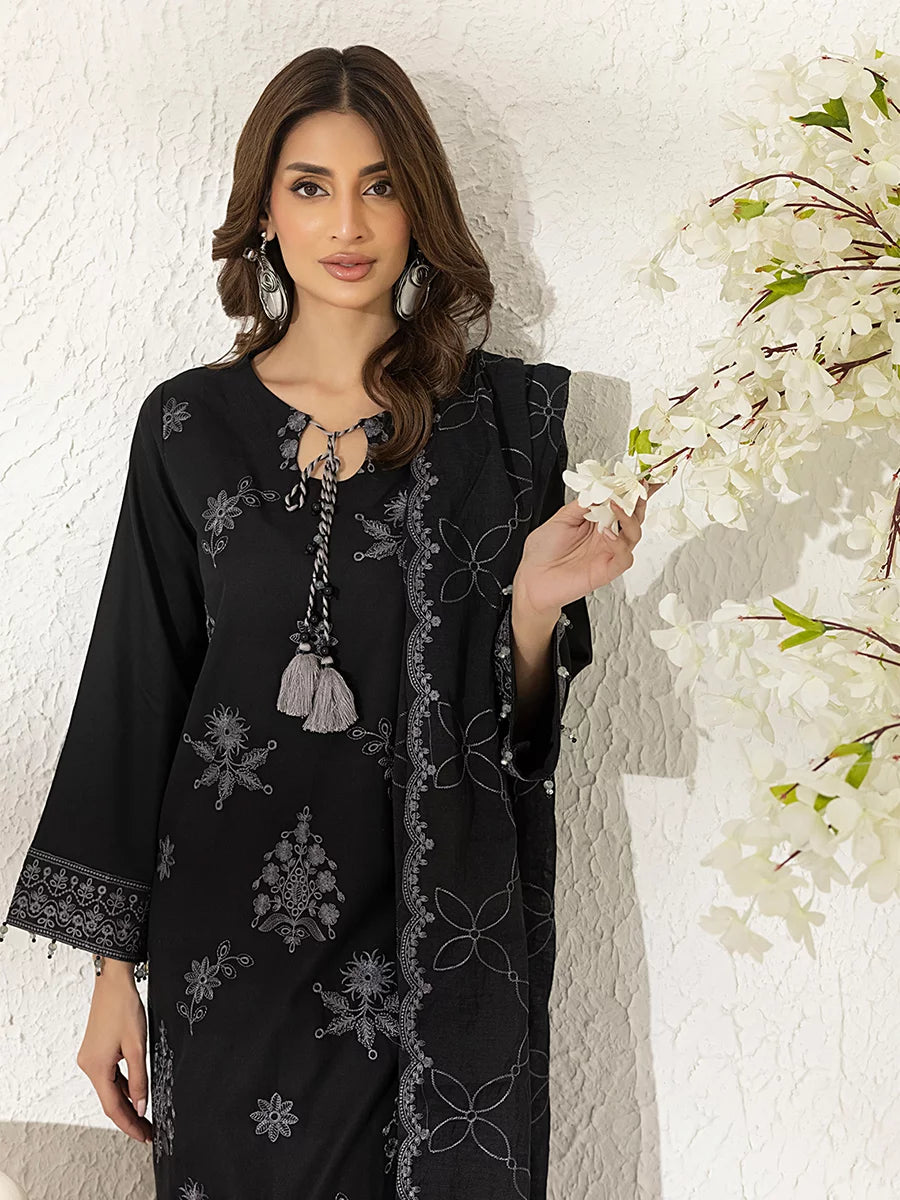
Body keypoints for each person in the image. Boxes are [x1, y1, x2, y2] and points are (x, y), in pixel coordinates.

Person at [1, 44, 647, 1200]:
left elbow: (523, 736)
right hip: (226, 955)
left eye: (380, 185)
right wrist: (111, 975)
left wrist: (534, 605)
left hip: (426, 947)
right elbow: (136, 692)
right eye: (311, 186)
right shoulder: (188, 426)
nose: (347, 223)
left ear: (419, 207)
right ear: (264, 211)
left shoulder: (499, 425)